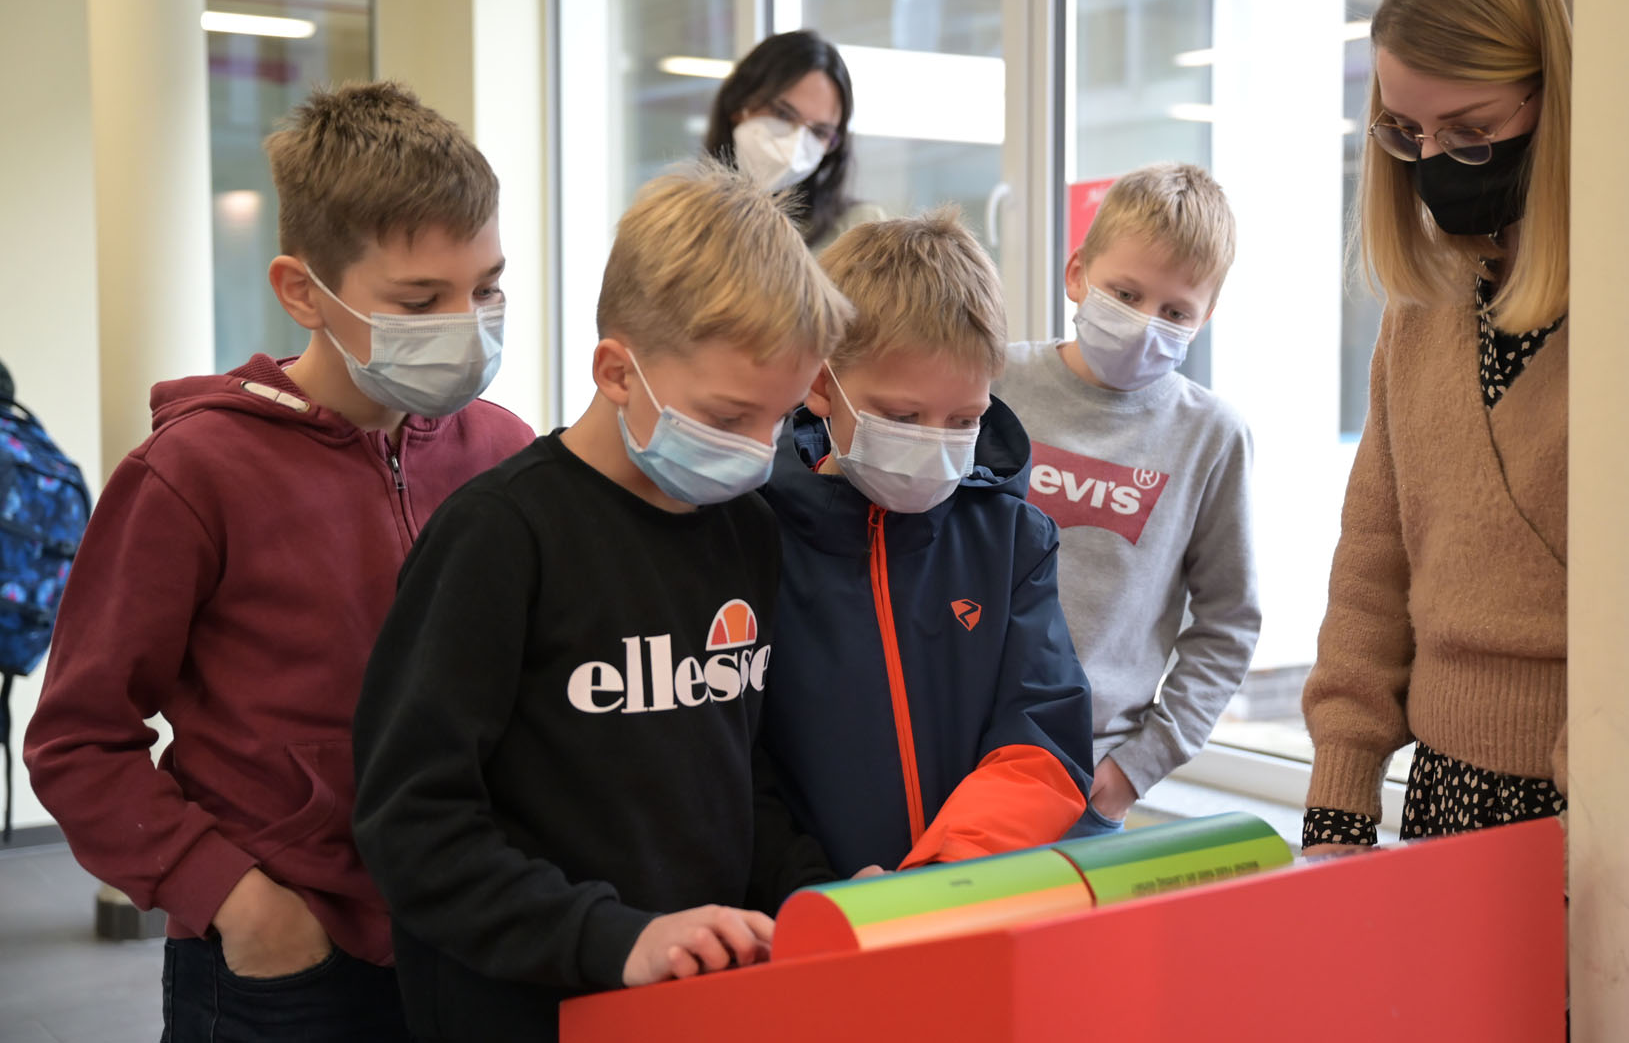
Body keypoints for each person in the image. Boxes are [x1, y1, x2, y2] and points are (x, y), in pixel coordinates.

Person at [23, 81, 534, 1041]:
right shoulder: (192, 473)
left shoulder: (504, 452)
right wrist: (240, 902)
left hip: (476, 940)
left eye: (488, 286)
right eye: (421, 299)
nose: (467, 323)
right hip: (283, 965)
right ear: (303, 290)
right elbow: (78, 739)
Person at [351, 160, 854, 1042]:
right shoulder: (500, 536)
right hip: (521, 1001)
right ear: (617, 371)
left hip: (695, 992)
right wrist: (614, 938)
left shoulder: (747, 530)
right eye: (731, 418)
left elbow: (744, 776)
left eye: (779, 421)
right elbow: (414, 822)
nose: (759, 451)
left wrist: (819, 897)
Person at [1300, 0, 1573, 855]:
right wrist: (1339, 800)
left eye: (1469, 132)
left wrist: (1597, 832)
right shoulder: (1421, 311)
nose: (1434, 164)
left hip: (1597, 803)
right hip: (1445, 790)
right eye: (1407, 135)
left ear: (1563, 92)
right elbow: (1373, 559)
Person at [758, 208, 1094, 876]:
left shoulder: (1010, 540)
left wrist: (947, 870)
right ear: (823, 384)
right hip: (798, 915)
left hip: (960, 900)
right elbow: (732, 761)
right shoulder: (749, 531)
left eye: (963, 419)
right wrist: (813, 884)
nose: (934, 442)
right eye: (903, 416)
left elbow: (1042, 739)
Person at [992, 163, 1259, 837]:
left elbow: (1228, 622)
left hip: (1085, 781)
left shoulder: (1211, 437)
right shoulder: (992, 382)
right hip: (952, 748)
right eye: (1126, 292)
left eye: (1175, 312)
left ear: (1207, 318)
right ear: (1077, 274)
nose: (1146, 325)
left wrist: (1138, 767)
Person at [704, 28, 883, 248]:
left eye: (819, 132)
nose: (796, 143)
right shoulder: (677, 219)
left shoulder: (859, 231)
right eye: (783, 114)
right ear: (738, 104)